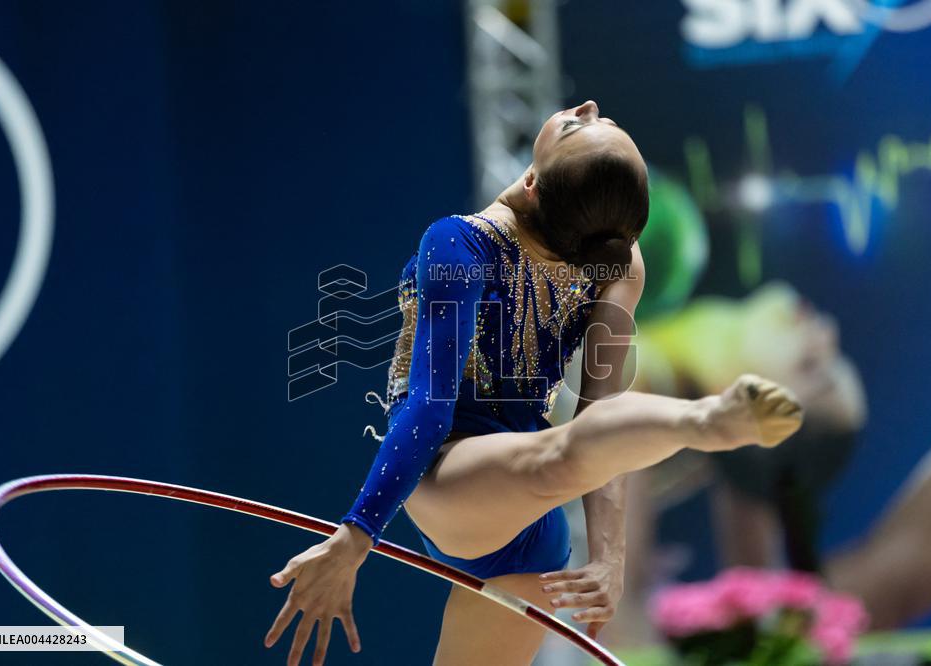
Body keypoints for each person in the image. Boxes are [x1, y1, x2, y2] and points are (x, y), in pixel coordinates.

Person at [263, 100, 804, 666]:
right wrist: (607, 558)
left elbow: (435, 406)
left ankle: (707, 419)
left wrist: (354, 539)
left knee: (561, 453)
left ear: (531, 183)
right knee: (560, 455)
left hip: (488, 497)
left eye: (578, 125)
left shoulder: (457, 245)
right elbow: (585, 416)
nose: (590, 106)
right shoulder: (602, 263)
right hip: (483, 479)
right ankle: (701, 420)